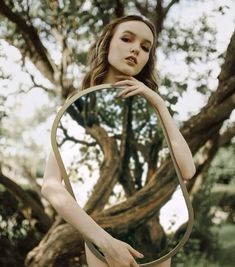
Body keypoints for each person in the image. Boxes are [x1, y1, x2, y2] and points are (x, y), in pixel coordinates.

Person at [42, 15, 196, 267]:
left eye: (145, 47)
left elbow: (187, 170)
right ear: (107, 44)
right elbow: (50, 185)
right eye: (127, 39)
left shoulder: (151, 110)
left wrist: (158, 103)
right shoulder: (78, 109)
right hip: (104, 244)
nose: (136, 48)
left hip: (154, 246)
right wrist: (103, 240)